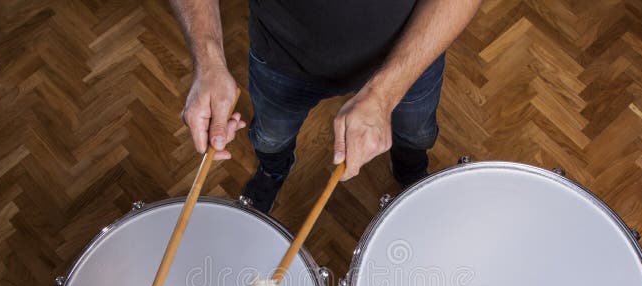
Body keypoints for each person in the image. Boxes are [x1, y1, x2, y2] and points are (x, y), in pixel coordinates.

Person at [171, 0, 482, 214]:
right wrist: (208, 59)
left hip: (410, 56)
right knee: (270, 138)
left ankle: (410, 168)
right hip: (282, 55)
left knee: (418, 134)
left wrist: (385, 93)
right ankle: (273, 171)